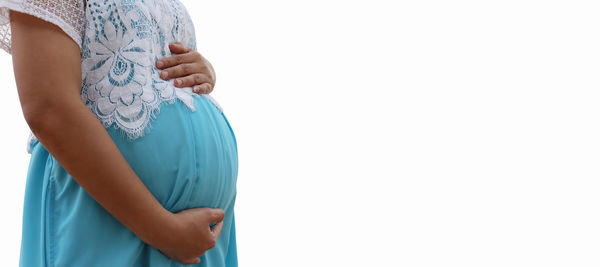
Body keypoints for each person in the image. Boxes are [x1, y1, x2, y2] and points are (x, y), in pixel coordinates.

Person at [0, 0, 238, 266]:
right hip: (109, 228)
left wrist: (202, 72)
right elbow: (48, 108)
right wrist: (164, 231)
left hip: (202, 243)